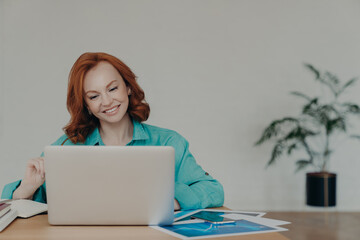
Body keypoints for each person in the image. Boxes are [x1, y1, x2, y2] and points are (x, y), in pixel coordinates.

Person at [1, 52, 224, 210]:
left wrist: (173, 200)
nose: (107, 101)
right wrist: (25, 190)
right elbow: (29, 206)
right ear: (86, 104)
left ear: (127, 87)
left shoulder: (169, 142)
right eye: (94, 96)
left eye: (113, 88)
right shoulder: (67, 147)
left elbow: (213, 191)